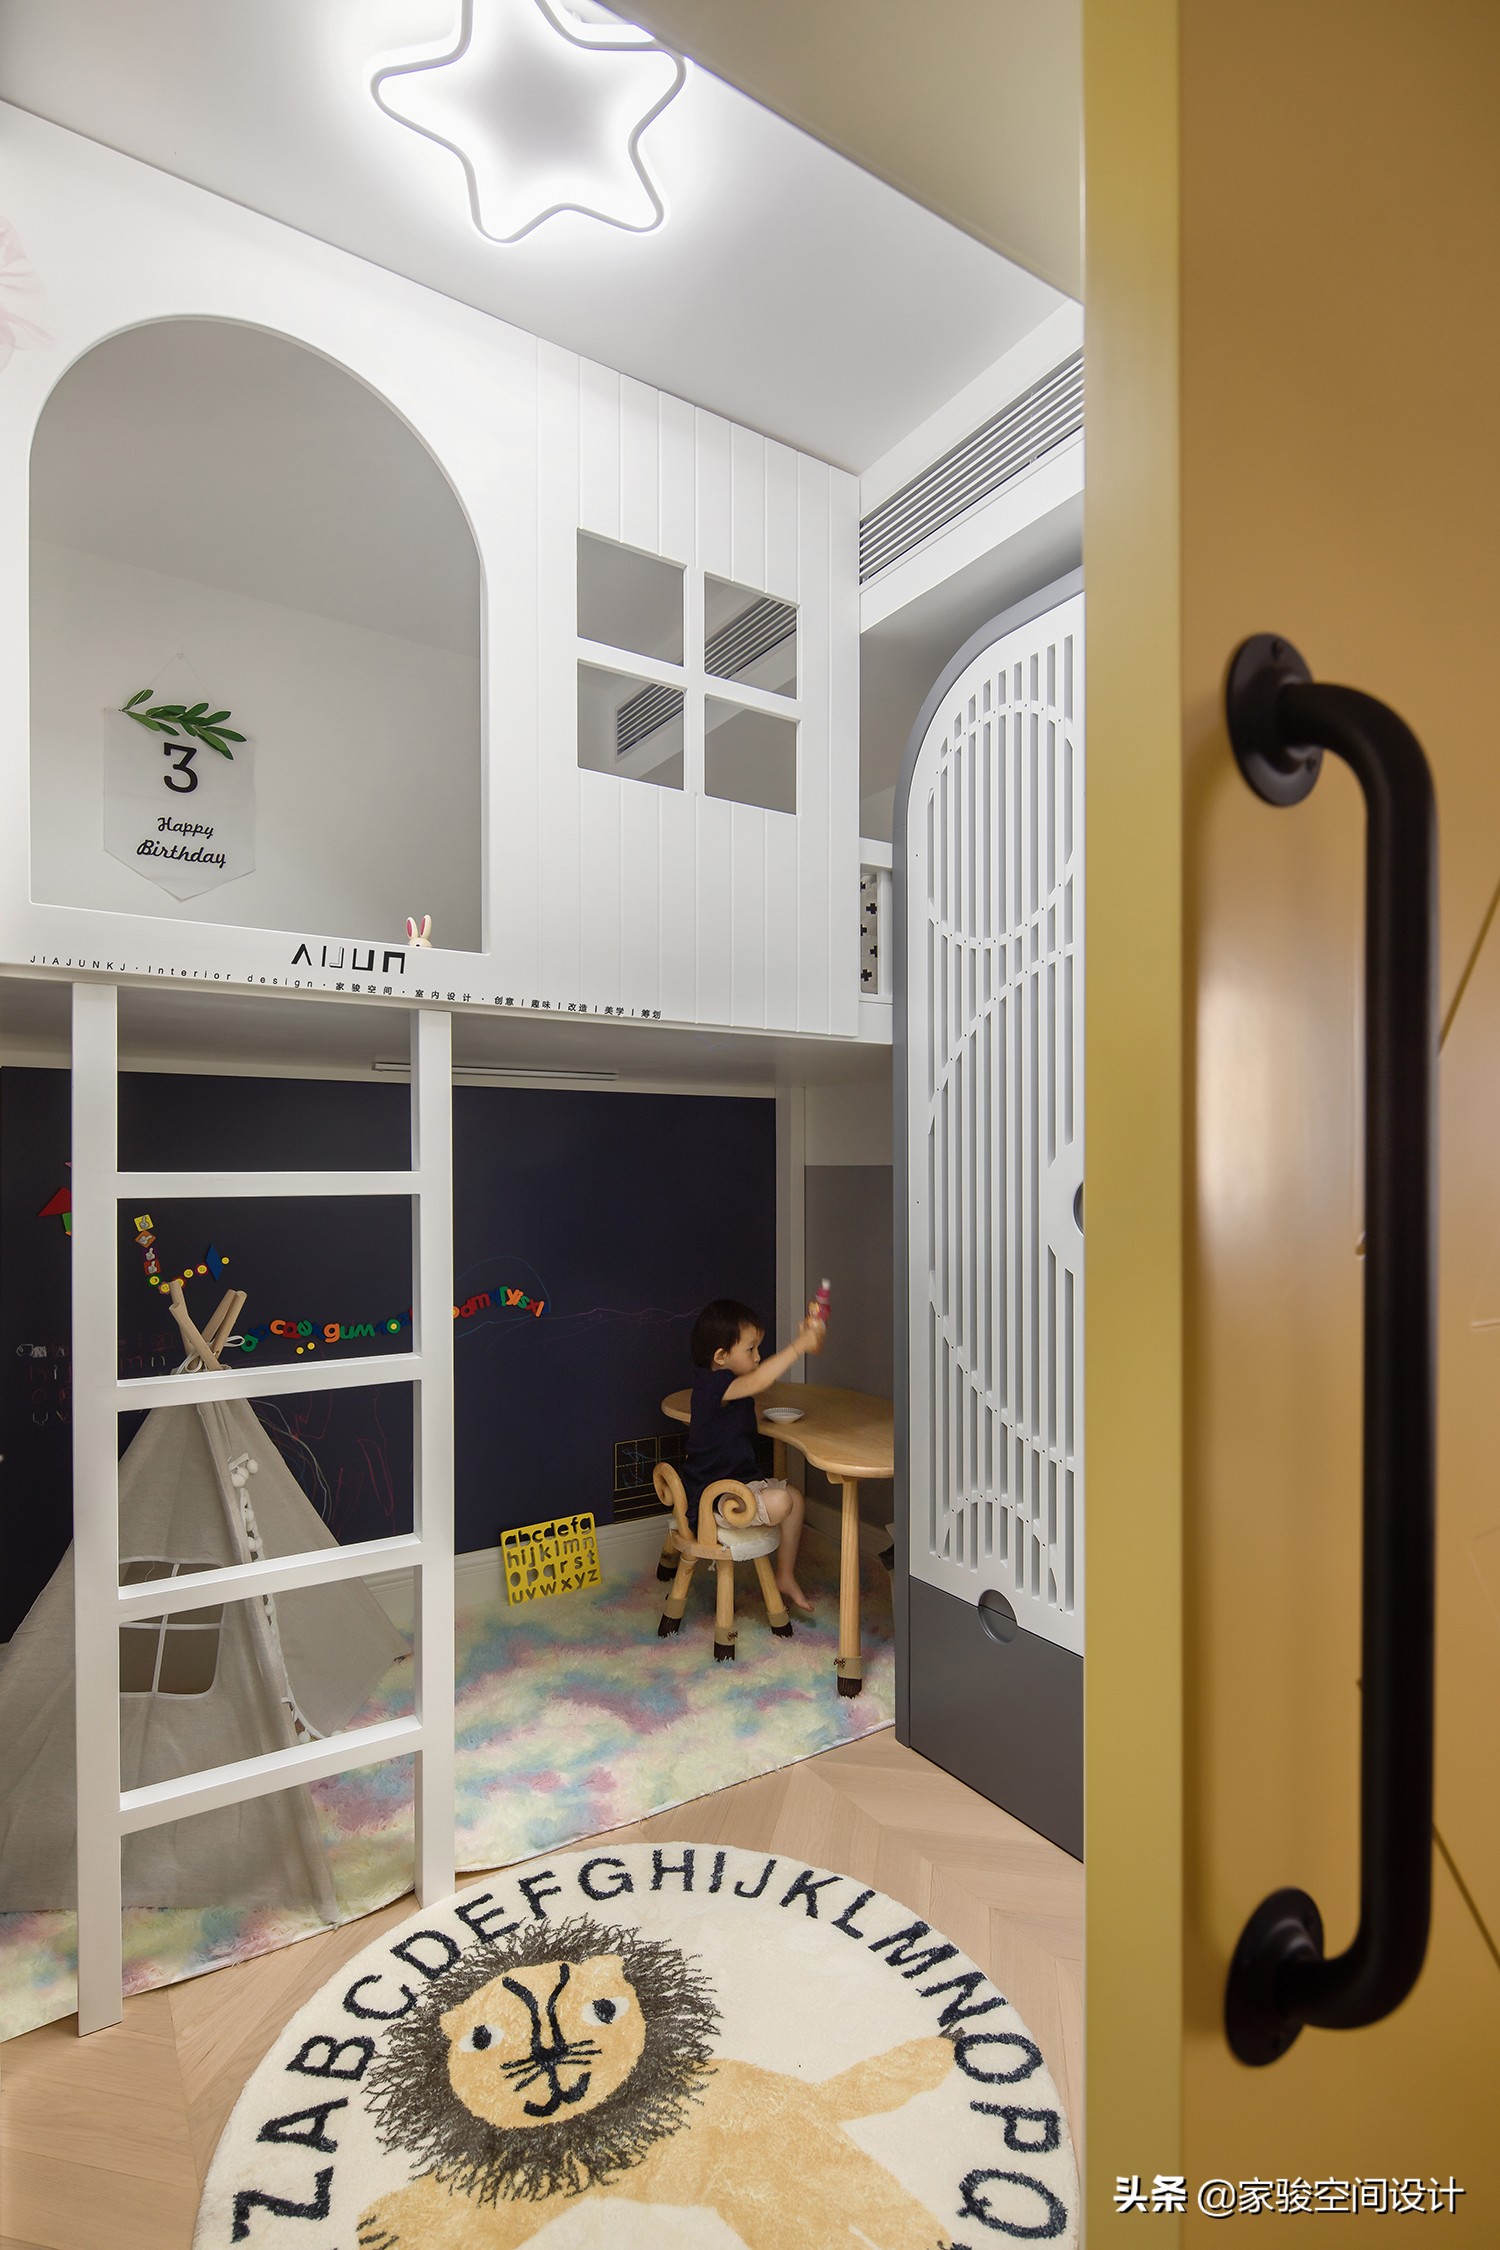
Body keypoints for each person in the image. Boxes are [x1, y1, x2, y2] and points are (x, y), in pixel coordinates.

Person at [684, 1297, 824, 1617]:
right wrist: (799, 1345)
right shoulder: (711, 1385)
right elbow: (761, 1380)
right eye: (751, 1350)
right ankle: (780, 1569)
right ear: (721, 1357)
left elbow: (751, 1395)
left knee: (794, 1498)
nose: (758, 1356)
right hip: (713, 1495)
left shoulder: (729, 1386)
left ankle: (785, 1575)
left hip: (741, 1483)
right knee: (782, 1502)